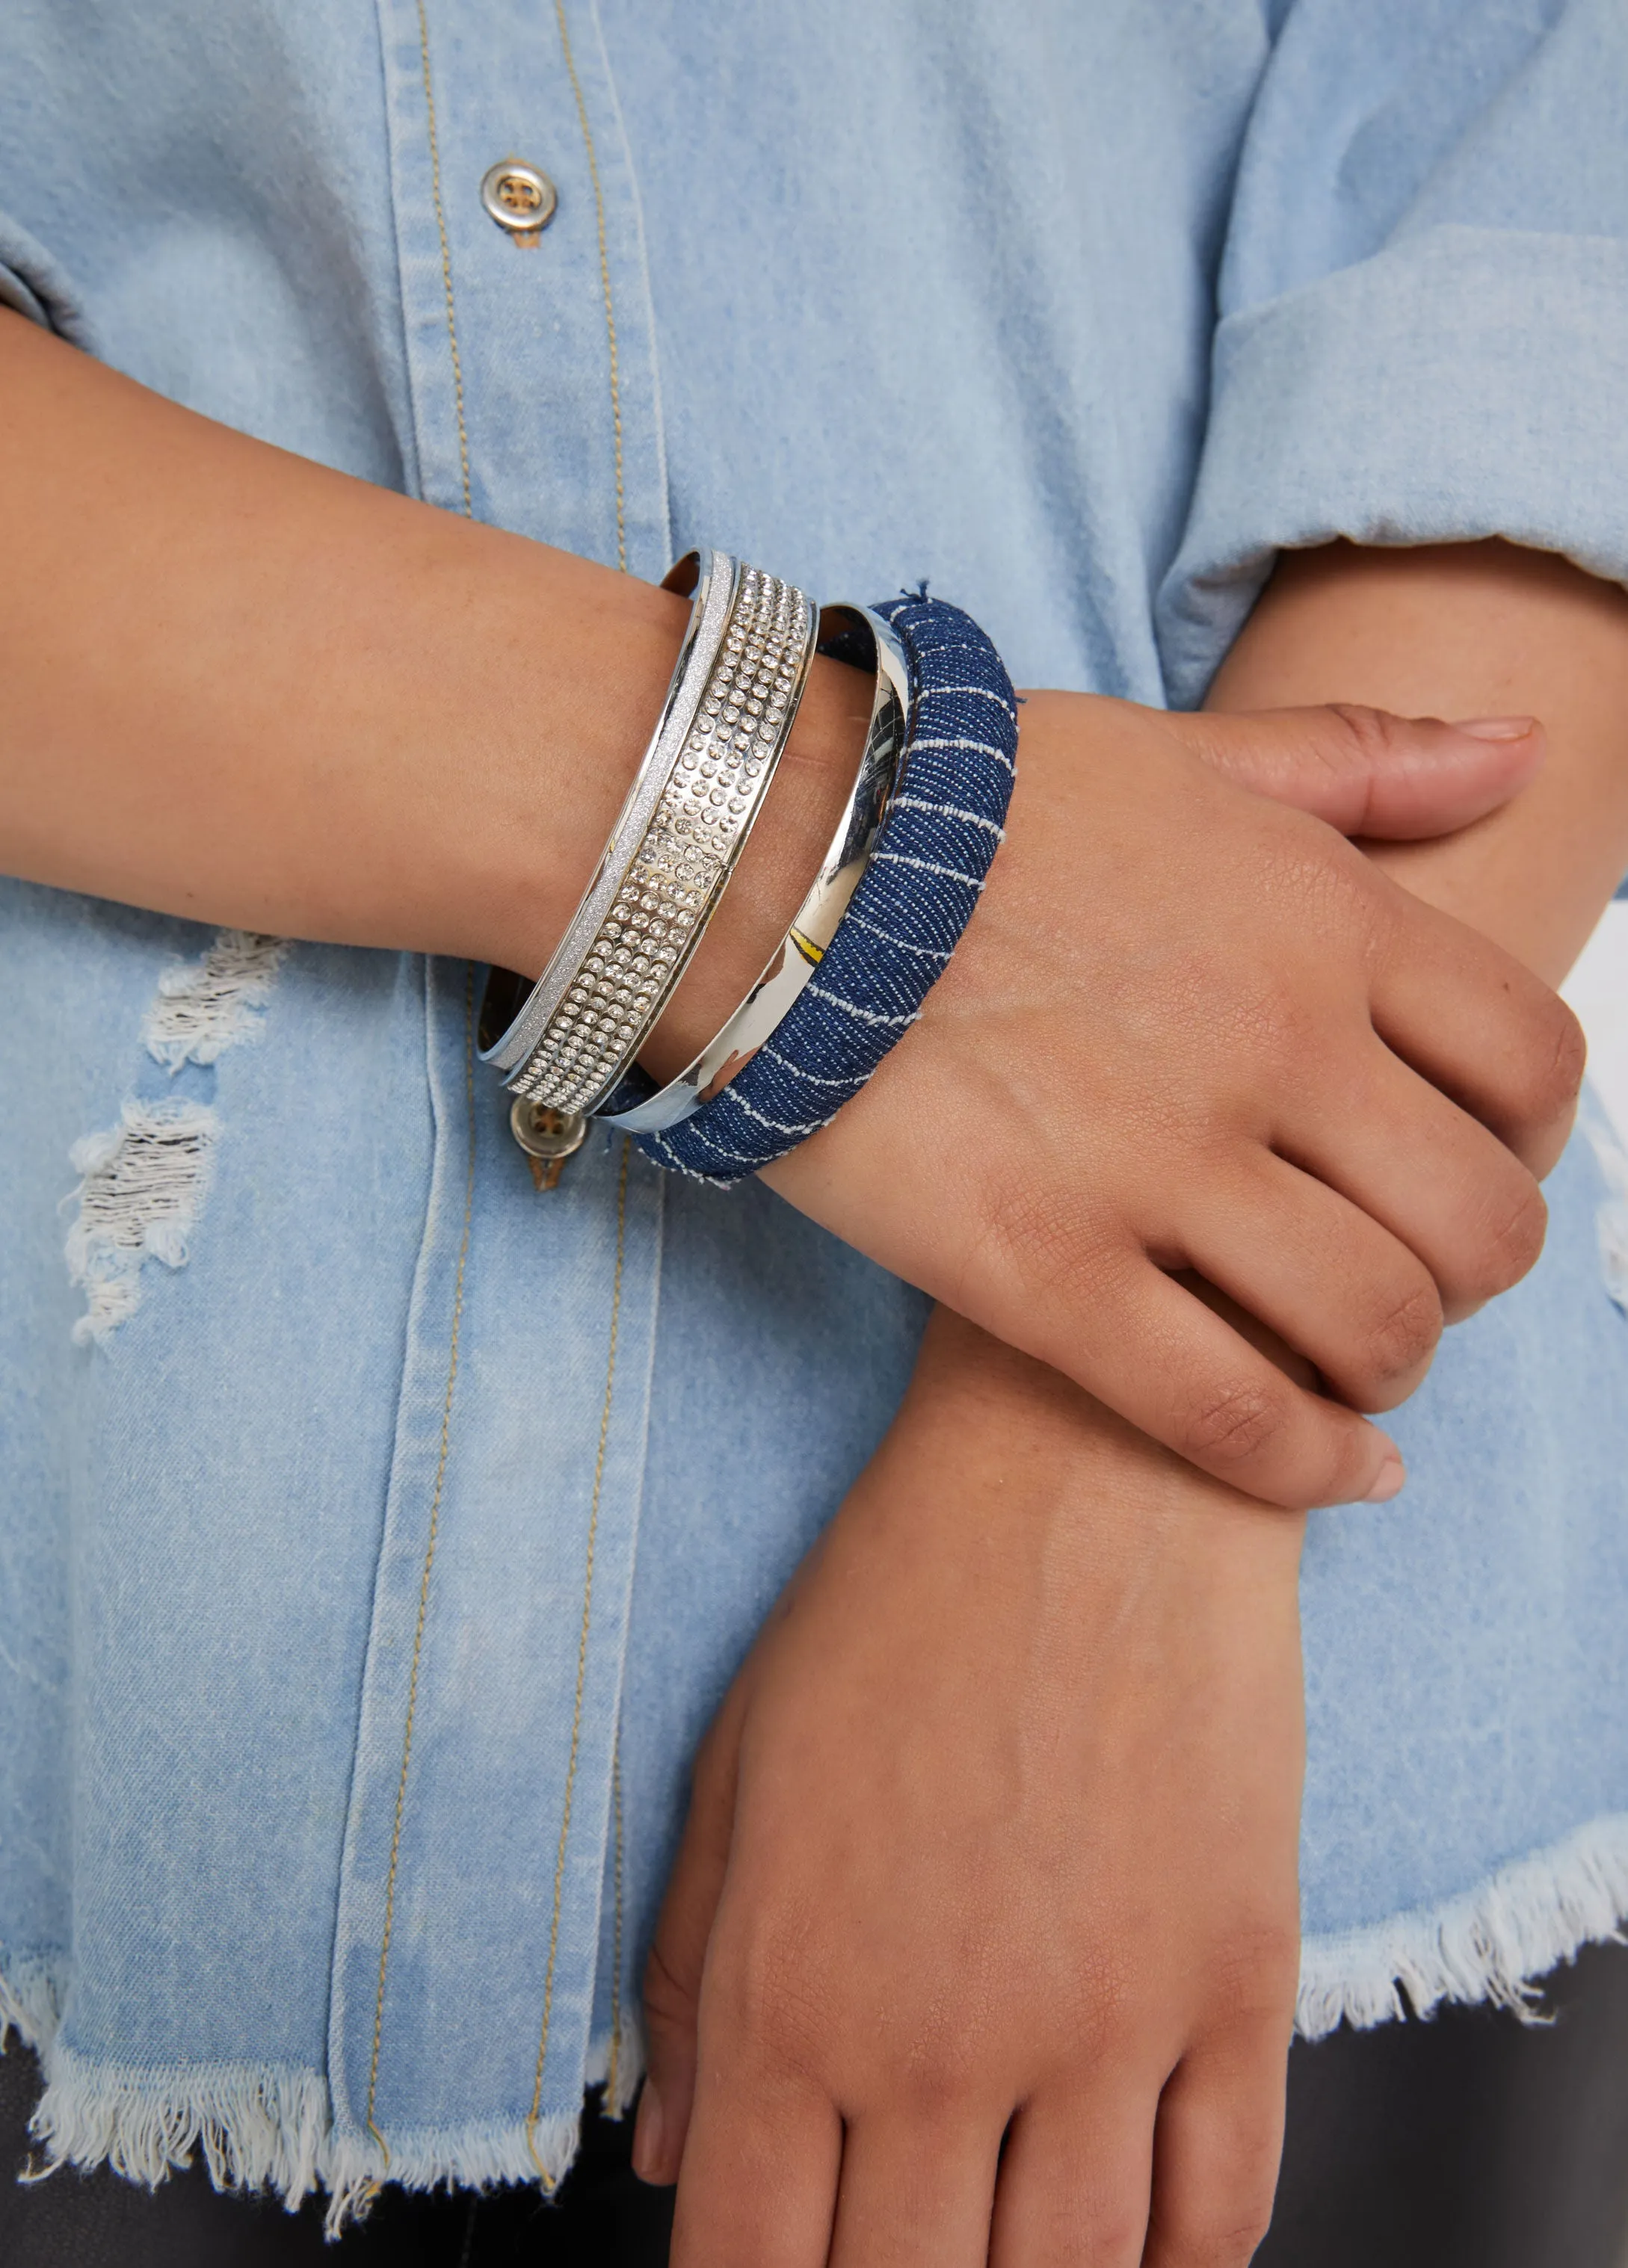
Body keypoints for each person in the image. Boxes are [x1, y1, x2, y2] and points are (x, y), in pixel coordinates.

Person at [2, 6, 1627, 2264]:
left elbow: (1552, 172)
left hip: (1254, 1811)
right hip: (111, 1725)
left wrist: (1114, 1469)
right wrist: (845, 881)